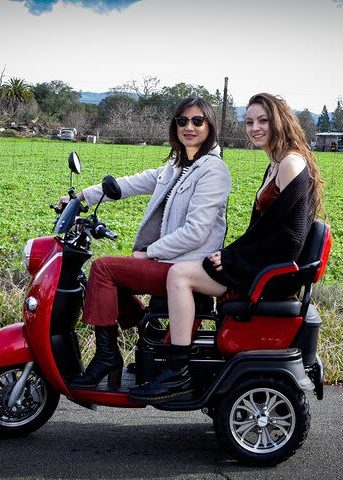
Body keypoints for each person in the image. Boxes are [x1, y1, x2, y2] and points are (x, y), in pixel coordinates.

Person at [129, 93, 325, 403]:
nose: (255, 128)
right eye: (249, 122)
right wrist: (230, 255)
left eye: (263, 120)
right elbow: (263, 231)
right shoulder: (277, 162)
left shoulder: (289, 163)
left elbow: (290, 239)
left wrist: (233, 258)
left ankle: (177, 370)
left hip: (273, 276)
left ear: (279, 121)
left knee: (180, 275)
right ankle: (170, 351)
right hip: (265, 265)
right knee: (192, 268)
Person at [66, 97, 231, 389]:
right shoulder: (177, 165)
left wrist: (149, 254)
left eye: (197, 121)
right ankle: (150, 331)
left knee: (103, 269)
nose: (189, 127)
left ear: (210, 126)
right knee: (104, 279)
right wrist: (81, 197)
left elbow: (196, 232)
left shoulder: (212, 170)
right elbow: (130, 183)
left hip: (188, 265)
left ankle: (106, 355)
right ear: (174, 126)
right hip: (170, 261)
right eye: (182, 120)